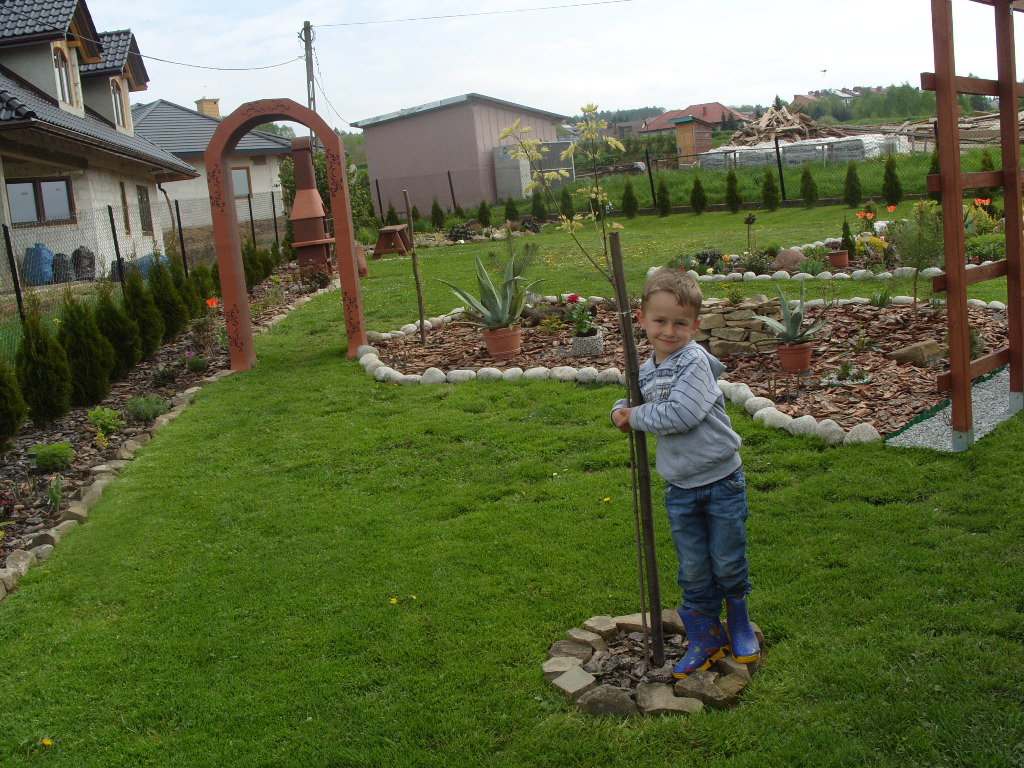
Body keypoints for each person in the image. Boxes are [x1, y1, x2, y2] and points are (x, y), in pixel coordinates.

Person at [611, 268, 760, 678]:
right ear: (641, 320)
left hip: (721, 482)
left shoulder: (694, 363)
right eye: (660, 320)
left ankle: (739, 622)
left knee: (727, 560)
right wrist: (619, 411)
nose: (669, 331)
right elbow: (635, 398)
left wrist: (634, 416)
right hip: (680, 488)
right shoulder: (647, 368)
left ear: (695, 326)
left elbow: (681, 414)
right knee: (692, 567)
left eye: (680, 323)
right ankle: (705, 636)